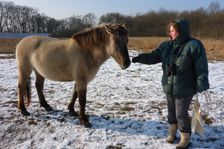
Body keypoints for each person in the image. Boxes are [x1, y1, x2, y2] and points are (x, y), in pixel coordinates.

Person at [132, 18, 209, 149]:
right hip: (169, 85)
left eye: (173, 31)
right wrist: (139, 58)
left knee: (180, 113)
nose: (170, 33)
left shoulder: (194, 45)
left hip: (185, 87)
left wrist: (202, 83)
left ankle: (185, 137)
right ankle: (172, 133)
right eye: (170, 31)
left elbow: (201, 67)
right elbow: (153, 56)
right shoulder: (166, 46)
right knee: (171, 112)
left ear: (181, 31)